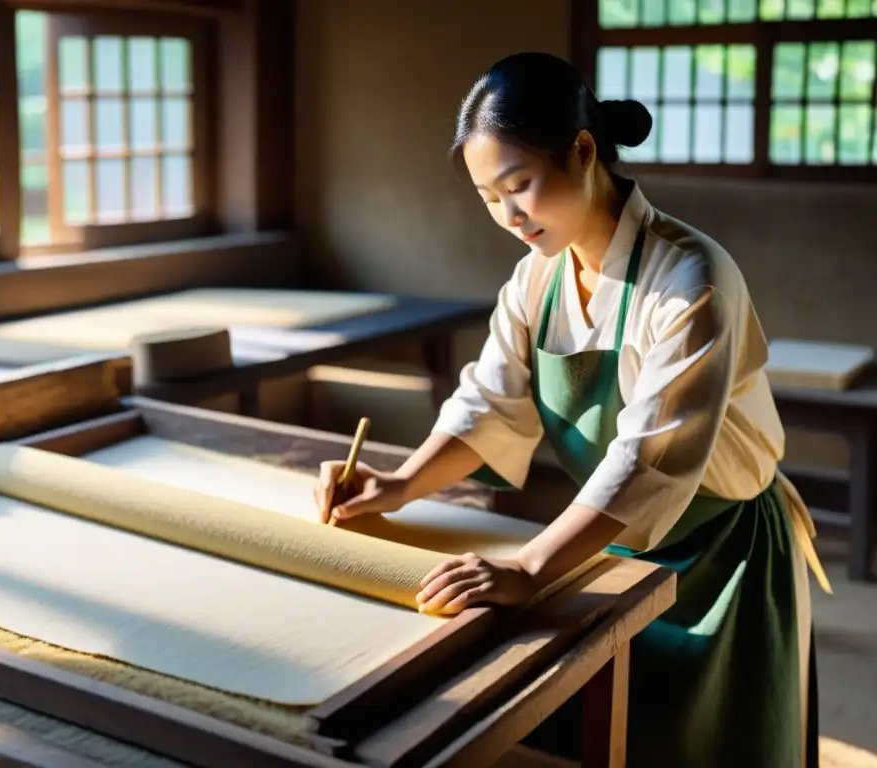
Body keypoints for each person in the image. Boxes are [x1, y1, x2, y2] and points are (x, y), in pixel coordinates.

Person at [313, 51, 830, 768]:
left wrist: (528, 568)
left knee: (713, 743)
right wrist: (398, 485)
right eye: (488, 198)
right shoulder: (537, 280)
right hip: (616, 537)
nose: (509, 217)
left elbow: (648, 457)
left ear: (584, 151)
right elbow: (486, 403)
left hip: (722, 550)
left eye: (518, 186)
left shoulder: (690, 278)